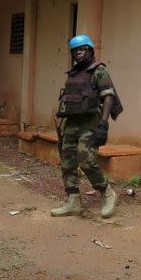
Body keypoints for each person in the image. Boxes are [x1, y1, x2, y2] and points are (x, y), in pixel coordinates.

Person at [51, 34, 123, 219]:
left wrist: (103, 124)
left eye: (82, 50)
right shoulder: (73, 73)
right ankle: (73, 201)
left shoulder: (99, 71)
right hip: (70, 125)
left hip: (89, 124)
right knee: (67, 163)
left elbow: (108, 96)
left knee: (86, 161)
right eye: (75, 51)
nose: (78, 54)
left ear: (90, 50)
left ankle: (107, 192)